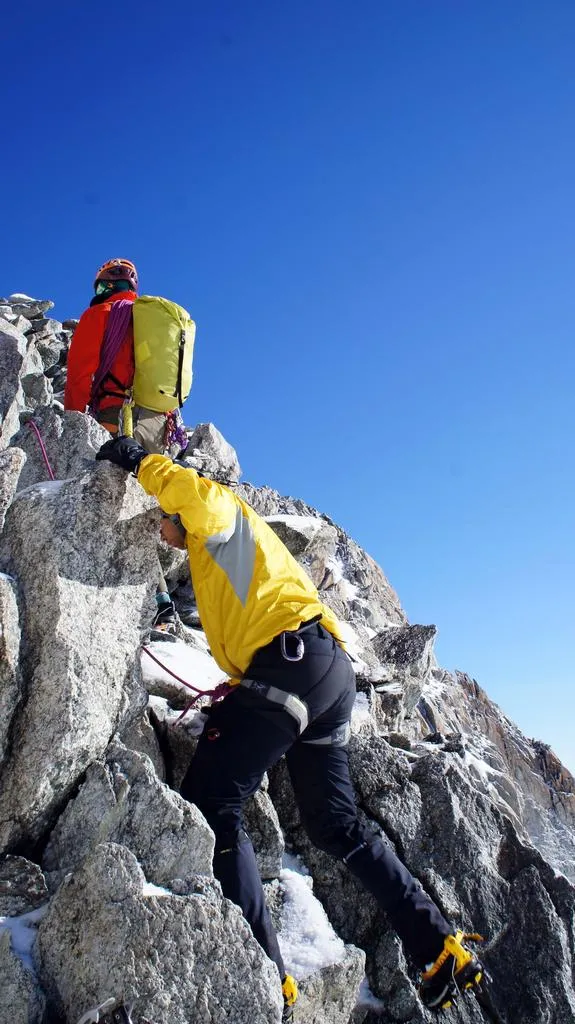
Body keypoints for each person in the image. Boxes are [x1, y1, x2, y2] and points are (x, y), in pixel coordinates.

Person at [96, 435, 487, 1021]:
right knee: (337, 824)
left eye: (163, 518)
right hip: (323, 672)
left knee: (212, 802)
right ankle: (440, 951)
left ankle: (265, 973)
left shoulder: (220, 518)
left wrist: (140, 462)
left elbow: (200, 498)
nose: (160, 528)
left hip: (292, 665)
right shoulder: (229, 554)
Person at [65, 258, 184, 636]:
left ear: (105, 285)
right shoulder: (148, 317)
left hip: (116, 414)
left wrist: (71, 420)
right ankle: (161, 604)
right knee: (139, 506)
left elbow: (81, 372)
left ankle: (105, 592)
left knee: (108, 501)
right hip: (157, 423)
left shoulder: (100, 314)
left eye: (100, 285)